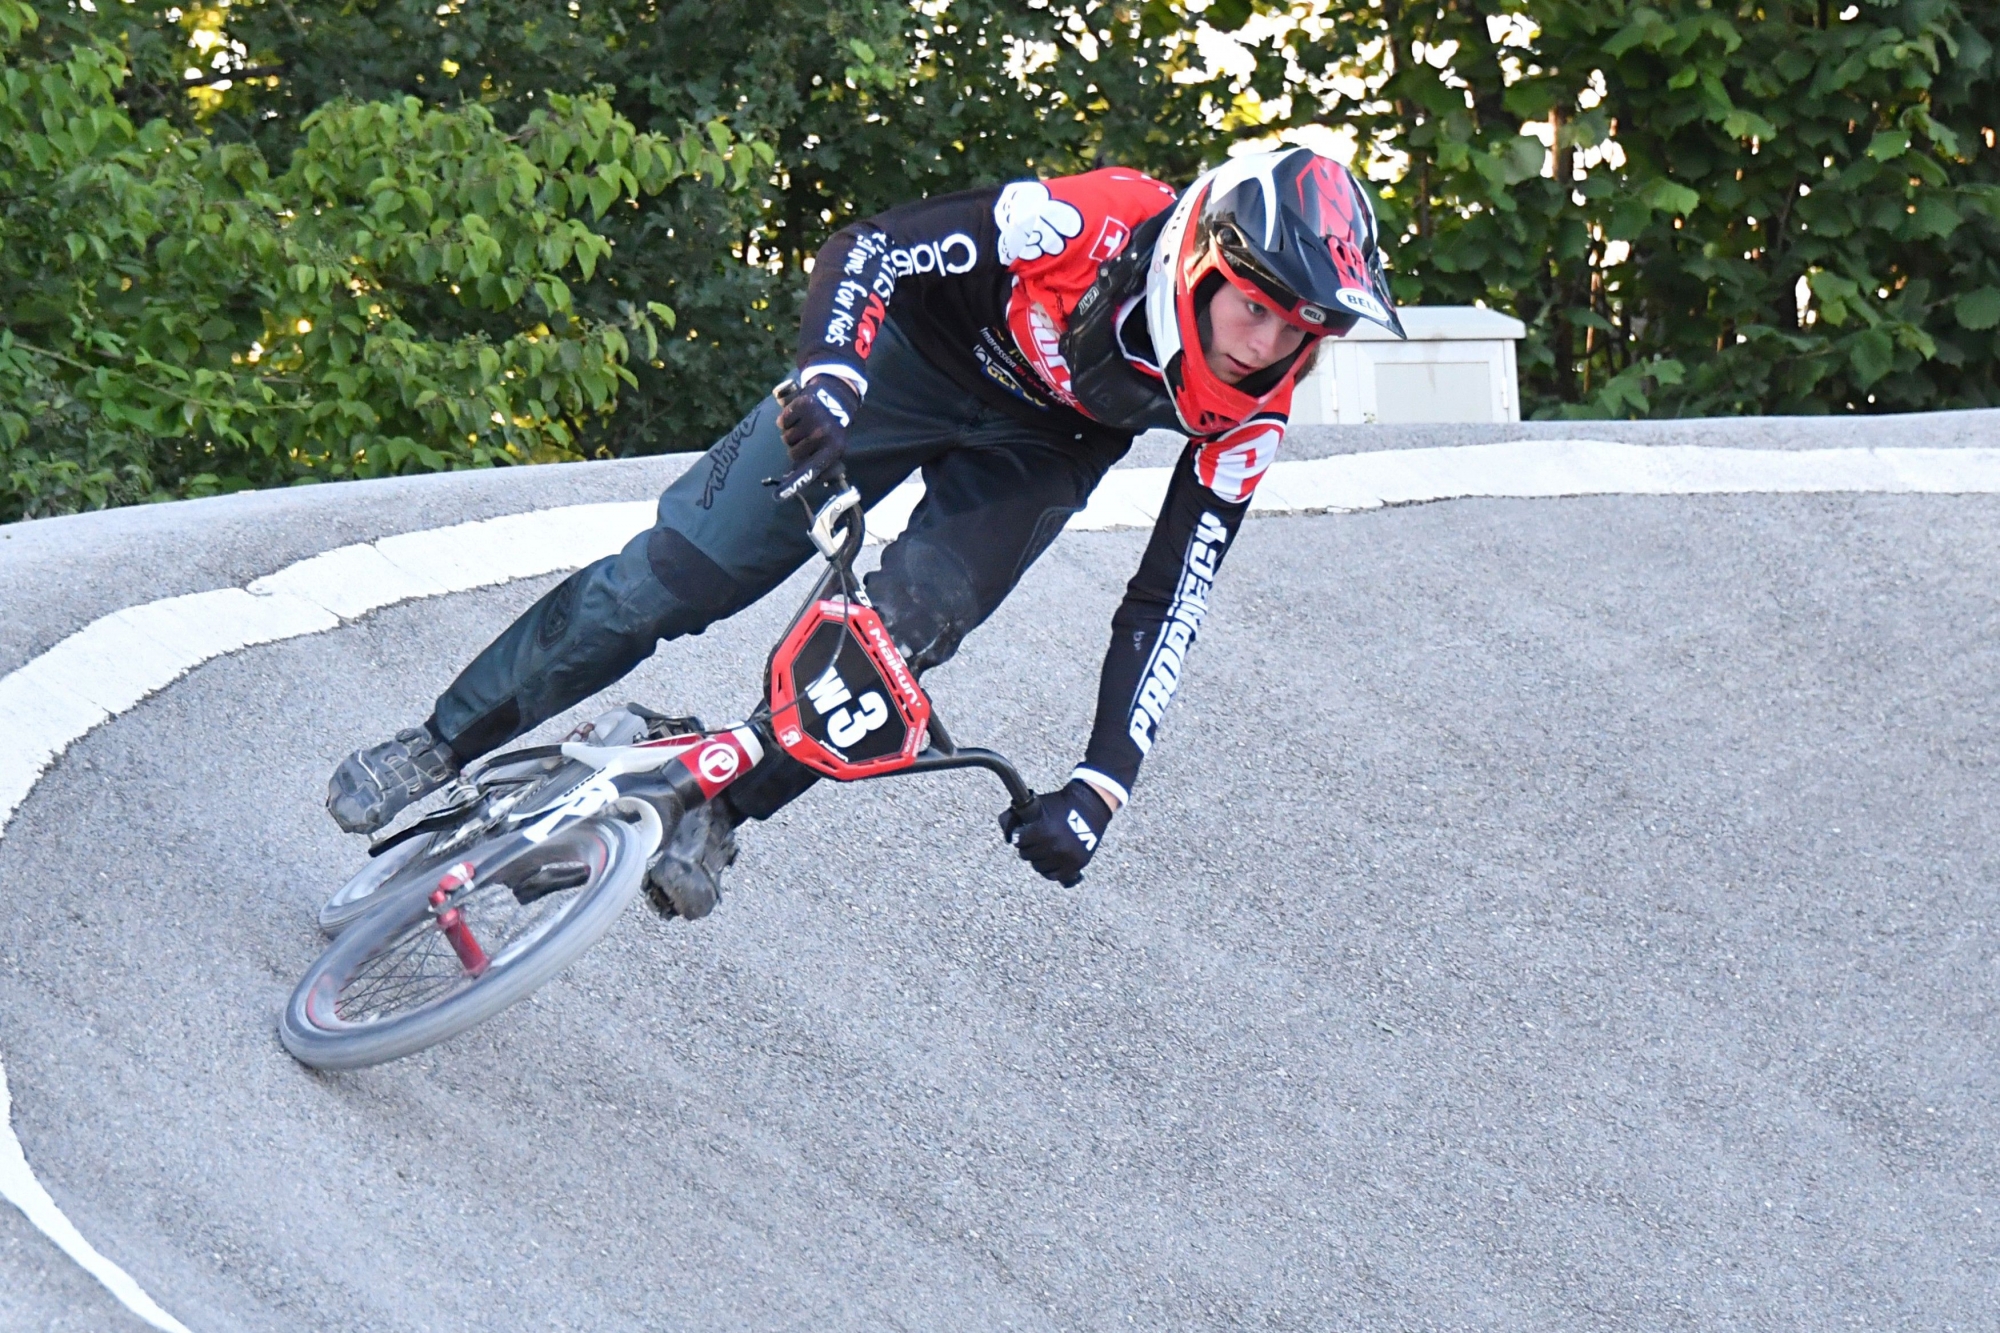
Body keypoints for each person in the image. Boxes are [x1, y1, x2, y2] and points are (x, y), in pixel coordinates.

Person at [326, 144, 1406, 918]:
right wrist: (832, 382)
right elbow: (872, 249)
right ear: (1201, 266)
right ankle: (440, 740)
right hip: (909, 363)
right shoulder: (1092, 221)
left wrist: (1101, 781)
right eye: (1254, 308)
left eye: (1296, 332)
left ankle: (723, 807)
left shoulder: (1253, 417)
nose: (1265, 347)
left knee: (895, 646)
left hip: (1040, 450)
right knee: (673, 579)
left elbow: (1169, 600)